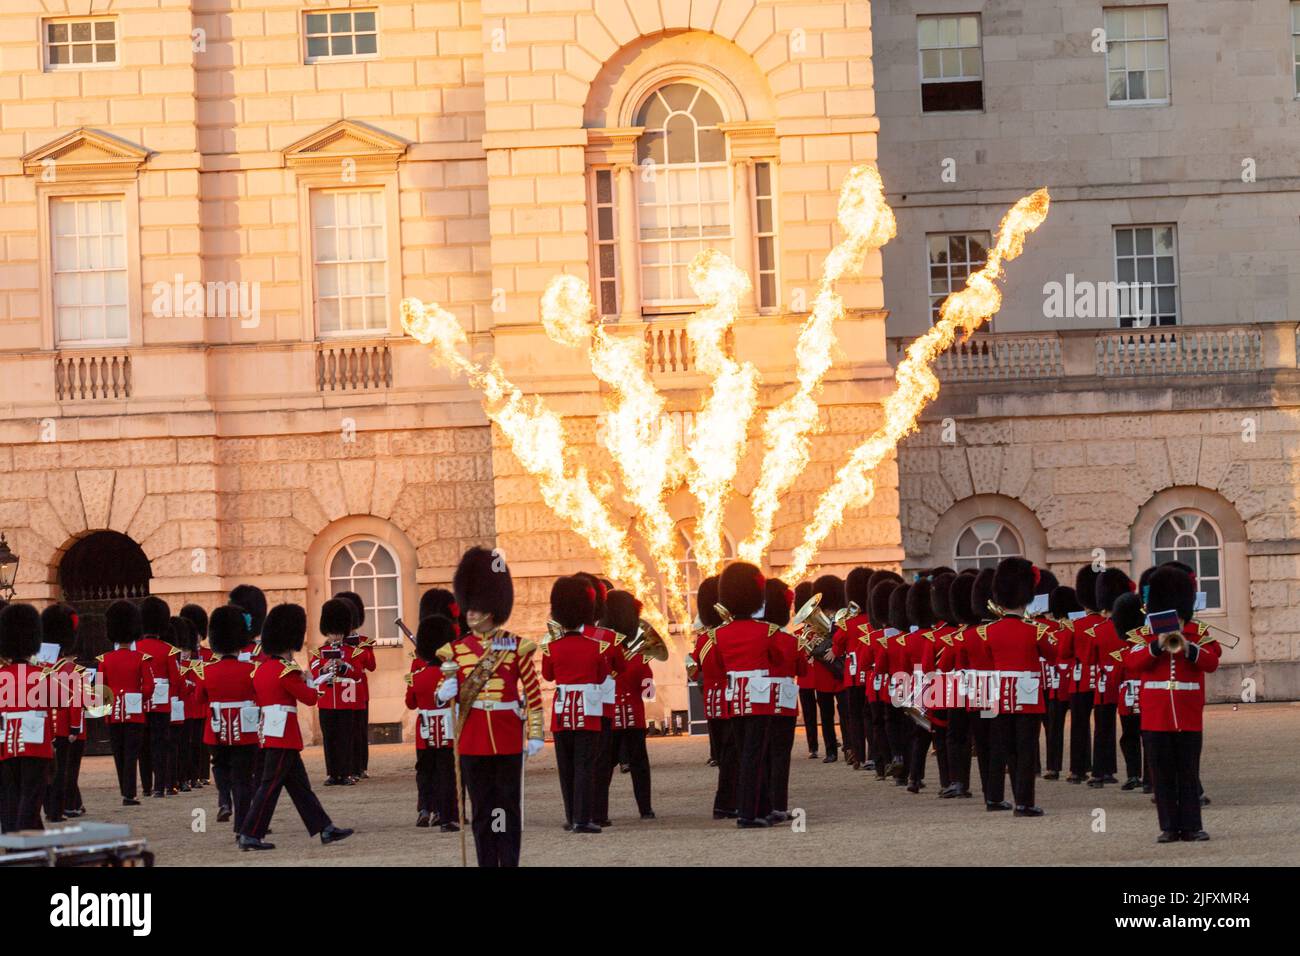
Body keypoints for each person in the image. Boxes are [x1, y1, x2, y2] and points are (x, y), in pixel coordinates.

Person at [437, 546, 544, 867]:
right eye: (469, 606)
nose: (469, 612)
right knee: (482, 811)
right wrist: (446, 692)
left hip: (508, 737)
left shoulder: (515, 648)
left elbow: (534, 694)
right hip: (472, 739)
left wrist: (536, 733)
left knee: (508, 809)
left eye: (477, 607)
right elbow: (442, 697)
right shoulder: (453, 652)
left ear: (493, 609)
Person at [239, 603, 353, 851]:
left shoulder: (262, 670)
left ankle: (325, 828)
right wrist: (315, 680)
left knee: (300, 788)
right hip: (284, 735)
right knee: (269, 786)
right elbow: (310, 698)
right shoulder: (285, 670)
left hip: (271, 731)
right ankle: (250, 833)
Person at [1128, 566, 1219, 843]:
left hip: (1188, 714)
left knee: (1188, 772)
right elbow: (1131, 663)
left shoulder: (1197, 631)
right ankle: (1169, 827)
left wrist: (1189, 647)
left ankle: (1192, 826)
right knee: (1162, 774)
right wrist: (1156, 646)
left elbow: (1212, 661)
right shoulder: (1144, 632)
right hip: (1156, 716)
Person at [704, 561, 788, 828]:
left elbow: (714, 668)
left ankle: (761, 808)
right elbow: (778, 658)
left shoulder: (719, 634)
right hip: (760, 699)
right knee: (756, 754)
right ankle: (747, 814)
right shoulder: (767, 631)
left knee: (746, 753)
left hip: (734, 698)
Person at [984, 558, 1057, 817]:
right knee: (1026, 749)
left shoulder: (989, 631)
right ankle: (1024, 802)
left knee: (1003, 748)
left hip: (998, 693)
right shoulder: (1035, 631)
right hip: (1027, 692)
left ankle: (1000, 797)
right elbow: (1054, 654)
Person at [541, 576, 609, 834]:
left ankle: (571, 816)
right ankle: (583, 818)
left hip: (562, 714)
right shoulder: (595, 647)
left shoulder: (552, 647)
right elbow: (602, 675)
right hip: (588, 713)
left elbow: (548, 675)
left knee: (566, 767)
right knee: (584, 766)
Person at [197, 605, 260, 832]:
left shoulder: (207, 670)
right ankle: (242, 827)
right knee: (243, 777)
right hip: (245, 727)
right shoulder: (251, 669)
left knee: (220, 766)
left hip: (216, 727)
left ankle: (224, 800)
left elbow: (198, 699)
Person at [602, 590, 657, 821]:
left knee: (604, 767)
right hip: (633, 717)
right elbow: (649, 693)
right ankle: (645, 809)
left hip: (611, 718)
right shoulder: (638, 658)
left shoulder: (602, 651)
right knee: (639, 766)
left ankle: (599, 811)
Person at [0, 603, 54, 831]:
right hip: (35, 742)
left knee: (10, 796)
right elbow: (53, 709)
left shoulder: (2, 675)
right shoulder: (41, 675)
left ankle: (16, 839)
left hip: (5, 743)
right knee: (31, 796)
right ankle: (21, 844)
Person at [97, 601, 154, 806]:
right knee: (131, 754)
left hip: (113, 713)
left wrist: (106, 712)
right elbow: (149, 687)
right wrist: (137, 699)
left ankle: (125, 790)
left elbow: (101, 690)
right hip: (134, 713)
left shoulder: (105, 660)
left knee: (119, 754)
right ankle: (130, 793)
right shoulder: (141, 659)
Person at [406, 614, 459, 831]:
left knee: (424, 772)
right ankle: (444, 814)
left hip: (425, 733)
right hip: (447, 733)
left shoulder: (417, 676)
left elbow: (410, 703)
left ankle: (424, 809)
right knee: (446, 774)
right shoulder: (451, 675)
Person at [690, 575, 734, 817]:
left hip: (714, 702)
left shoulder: (705, 639)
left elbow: (698, 667)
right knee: (733, 755)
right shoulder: (722, 636)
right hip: (731, 702)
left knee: (726, 755)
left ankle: (725, 802)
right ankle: (727, 802)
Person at [1088, 567, 1135, 788]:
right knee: (1132, 729)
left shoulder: (1097, 630)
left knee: (1103, 728)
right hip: (1128, 680)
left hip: (1105, 681)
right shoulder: (1133, 630)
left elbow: (1089, 660)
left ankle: (1101, 772)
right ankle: (1136, 774)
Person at [309, 598, 364, 786]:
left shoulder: (352, 652)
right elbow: (314, 671)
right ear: (327, 632)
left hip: (346, 699)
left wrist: (343, 665)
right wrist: (325, 668)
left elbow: (357, 674)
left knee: (346, 738)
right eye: (333, 633)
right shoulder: (319, 652)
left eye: (339, 633)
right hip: (326, 700)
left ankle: (347, 773)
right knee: (330, 738)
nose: (336, 637)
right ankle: (332, 773)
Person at [760, 578, 802, 822]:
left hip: (761, 699)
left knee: (762, 754)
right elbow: (803, 671)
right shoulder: (790, 641)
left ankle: (763, 803)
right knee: (780, 756)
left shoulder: (758, 638)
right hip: (785, 702)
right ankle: (779, 803)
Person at [136, 596, 184, 798]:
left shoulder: (135, 648)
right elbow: (177, 681)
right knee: (160, 745)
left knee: (143, 746)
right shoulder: (168, 650)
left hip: (139, 702)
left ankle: (146, 787)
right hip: (162, 704)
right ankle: (159, 787)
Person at [41, 603, 81, 823]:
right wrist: (75, 726)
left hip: (40, 724)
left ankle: (48, 808)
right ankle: (56, 810)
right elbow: (73, 701)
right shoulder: (67, 669)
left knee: (45, 769)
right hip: (63, 726)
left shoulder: (37, 666)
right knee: (60, 770)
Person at [334, 590, 376, 782]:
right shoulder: (335, 642)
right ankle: (347, 766)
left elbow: (371, 666)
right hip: (340, 689)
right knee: (345, 729)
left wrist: (361, 651)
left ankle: (361, 765)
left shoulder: (364, 641)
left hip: (359, 688)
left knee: (360, 728)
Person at [1066, 565, 1103, 783]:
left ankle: (1078, 769)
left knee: (1079, 725)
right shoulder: (1108, 625)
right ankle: (1102, 769)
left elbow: (1063, 652)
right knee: (1102, 726)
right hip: (1102, 680)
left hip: (1079, 681)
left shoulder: (1075, 625)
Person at [1110, 590, 1149, 791]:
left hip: (1129, 700)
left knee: (1130, 736)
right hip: (1145, 697)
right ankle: (1149, 778)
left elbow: (1115, 679)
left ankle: (1134, 774)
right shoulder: (1147, 646)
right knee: (1146, 737)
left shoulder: (1123, 652)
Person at [1042, 585, 1082, 779]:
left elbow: (1061, 651)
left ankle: (1054, 767)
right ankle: (1077, 768)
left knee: (1055, 727)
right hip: (1069, 679)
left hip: (1061, 680)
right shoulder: (1071, 627)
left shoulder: (1060, 630)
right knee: (1074, 727)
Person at [179, 603, 212, 789]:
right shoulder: (183, 657)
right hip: (187, 704)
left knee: (203, 741)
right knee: (190, 742)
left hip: (203, 703)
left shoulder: (208, 654)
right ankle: (192, 775)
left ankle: (203, 774)